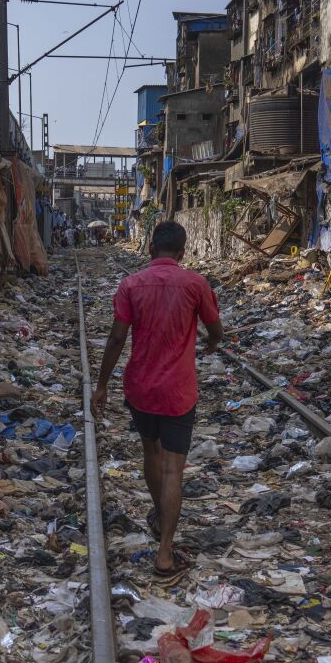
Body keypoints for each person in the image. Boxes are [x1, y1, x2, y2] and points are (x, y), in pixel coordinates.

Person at [91, 221, 223, 580]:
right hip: (179, 392)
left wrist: (101, 385)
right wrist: (211, 343)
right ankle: (165, 552)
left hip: (141, 389)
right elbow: (215, 328)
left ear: (151, 248)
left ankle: (157, 511)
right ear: (181, 252)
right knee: (173, 470)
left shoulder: (131, 285)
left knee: (151, 453)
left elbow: (117, 338)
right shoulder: (195, 284)